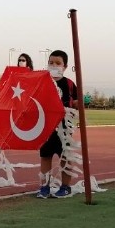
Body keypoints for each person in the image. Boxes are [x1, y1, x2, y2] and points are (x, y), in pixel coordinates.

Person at [37, 50, 78, 199]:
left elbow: (74, 103)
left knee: (65, 157)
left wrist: (81, 102)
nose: (54, 65)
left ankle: (65, 187)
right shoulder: (42, 82)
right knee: (45, 156)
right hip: (46, 127)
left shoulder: (69, 84)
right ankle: (44, 187)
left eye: (58, 63)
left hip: (64, 127)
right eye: (51, 62)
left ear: (65, 66)